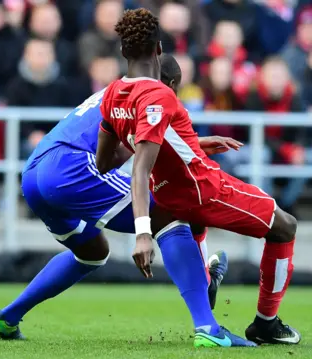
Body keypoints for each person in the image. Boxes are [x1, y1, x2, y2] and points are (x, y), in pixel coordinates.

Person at [0, 58, 250, 347]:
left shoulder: (117, 90)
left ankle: (7, 318)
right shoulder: (151, 96)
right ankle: (207, 326)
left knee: (92, 253)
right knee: (170, 217)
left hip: (35, 173)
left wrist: (195, 142)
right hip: (71, 167)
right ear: (170, 85)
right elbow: (143, 152)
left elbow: (135, 141)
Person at [98, 8, 300, 346]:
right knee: (285, 226)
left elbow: (108, 160)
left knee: (195, 227)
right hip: (204, 188)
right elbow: (140, 166)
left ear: (122, 51)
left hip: (170, 194)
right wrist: (143, 234)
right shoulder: (160, 93)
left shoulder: (112, 94)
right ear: (159, 49)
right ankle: (266, 322)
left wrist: (193, 143)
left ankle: (207, 279)